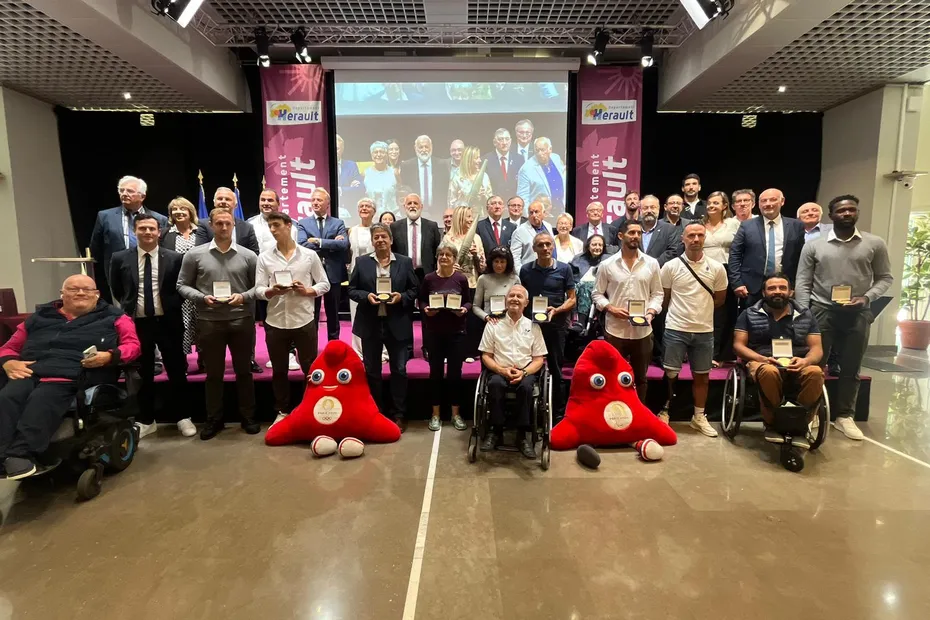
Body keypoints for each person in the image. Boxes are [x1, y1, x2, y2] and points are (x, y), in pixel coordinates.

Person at [0, 275, 141, 479]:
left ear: (97, 294)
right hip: (31, 371)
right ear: (62, 294)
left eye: (87, 290)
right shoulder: (39, 318)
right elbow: (9, 347)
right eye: (74, 289)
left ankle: (20, 453)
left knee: (42, 400)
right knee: (7, 397)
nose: (81, 293)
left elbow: (133, 346)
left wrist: (109, 356)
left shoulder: (115, 317)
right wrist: (9, 362)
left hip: (73, 375)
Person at [795, 195, 893, 440]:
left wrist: (867, 297)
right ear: (832, 215)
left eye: (851, 210)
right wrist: (805, 313)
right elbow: (803, 282)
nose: (847, 214)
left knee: (851, 367)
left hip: (857, 312)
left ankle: (844, 416)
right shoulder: (814, 245)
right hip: (821, 310)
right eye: (841, 210)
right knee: (815, 366)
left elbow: (885, 278)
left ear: (857, 213)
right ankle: (812, 412)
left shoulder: (875, 243)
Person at [177, 207, 259, 440]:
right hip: (208, 322)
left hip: (241, 320)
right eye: (219, 223)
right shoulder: (194, 255)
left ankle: (248, 417)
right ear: (211, 225)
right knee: (213, 374)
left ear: (234, 225)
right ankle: (214, 419)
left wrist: (243, 296)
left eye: (228, 223)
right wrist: (201, 298)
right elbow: (182, 285)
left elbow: (259, 287)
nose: (224, 227)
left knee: (244, 372)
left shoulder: (248, 256)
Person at [109, 214, 191, 438]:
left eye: (152, 229)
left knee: (176, 370)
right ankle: (147, 419)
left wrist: (172, 305)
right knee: (143, 373)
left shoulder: (175, 258)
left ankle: (183, 417)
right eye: (142, 228)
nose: (147, 232)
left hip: (168, 322)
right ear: (135, 231)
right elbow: (116, 289)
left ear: (159, 232)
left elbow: (182, 288)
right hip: (138, 324)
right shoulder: (119, 258)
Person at [733, 273, 824, 446]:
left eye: (782, 288)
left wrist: (806, 361)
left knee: (816, 372)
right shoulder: (749, 314)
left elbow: (817, 348)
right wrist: (761, 358)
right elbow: (738, 345)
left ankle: (799, 423)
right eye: (772, 288)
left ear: (791, 292)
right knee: (769, 371)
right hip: (761, 361)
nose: (777, 291)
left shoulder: (806, 315)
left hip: (798, 362)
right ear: (763, 292)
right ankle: (772, 423)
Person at [256, 212, 329, 425]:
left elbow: (324, 283)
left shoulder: (309, 255)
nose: (272, 230)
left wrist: (308, 291)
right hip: (276, 321)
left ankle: (313, 405)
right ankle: (282, 410)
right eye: (270, 226)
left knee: (310, 367)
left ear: (289, 226)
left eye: (277, 225)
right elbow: (258, 289)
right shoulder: (264, 257)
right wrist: (272, 291)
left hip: (304, 319)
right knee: (279, 370)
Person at [348, 223, 419, 432]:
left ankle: (399, 413)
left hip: (396, 324)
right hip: (370, 324)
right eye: (376, 237)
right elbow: (352, 290)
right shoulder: (362, 263)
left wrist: (401, 297)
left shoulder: (405, 263)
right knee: (372, 371)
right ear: (372, 241)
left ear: (391, 240)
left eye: (383, 237)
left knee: (399, 370)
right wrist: (366, 296)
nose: (380, 240)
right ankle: (375, 411)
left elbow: (414, 289)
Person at [659, 222, 728, 436]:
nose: (695, 239)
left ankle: (698, 417)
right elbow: (665, 298)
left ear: (705, 238)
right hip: (675, 328)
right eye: (691, 236)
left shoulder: (717, 268)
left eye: (700, 235)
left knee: (702, 376)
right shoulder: (670, 267)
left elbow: (719, 299)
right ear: (683, 239)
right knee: (670, 373)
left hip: (704, 331)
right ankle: (665, 411)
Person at [592, 220, 663, 403]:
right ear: (621, 236)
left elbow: (657, 294)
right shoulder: (607, 265)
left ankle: (638, 418)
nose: (636, 236)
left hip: (643, 331)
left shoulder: (652, 263)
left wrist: (651, 312)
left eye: (639, 233)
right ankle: (614, 416)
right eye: (631, 233)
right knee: (613, 376)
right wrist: (610, 308)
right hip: (615, 330)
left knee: (641, 379)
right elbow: (597, 294)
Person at [478, 284, 547, 458]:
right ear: (506, 300)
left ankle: (522, 434)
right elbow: (486, 355)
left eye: (519, 296)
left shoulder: (534, 326)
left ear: (526, 303)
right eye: (512, 296)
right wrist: (501, 370)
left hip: (525, 372)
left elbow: (539, 359)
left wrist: (523, 373)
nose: (515, 299)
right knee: (494, 384)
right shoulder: (493, 324)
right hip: (499, 370)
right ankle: (496, 430)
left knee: (526, 388)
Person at [519, 232, 576, 420]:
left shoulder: (565, 269)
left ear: (553, 247)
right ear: (534, 249)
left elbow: (572, 299)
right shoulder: (526, 270)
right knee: (528, 367)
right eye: (540, 245)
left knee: (556, 369)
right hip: (531, 327)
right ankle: (528, 412)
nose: (544, 248)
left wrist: (557, 310)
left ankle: (558, 415)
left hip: (555, 326)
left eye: (548, 244)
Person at [418, 243, 472, 432]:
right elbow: (422, 299)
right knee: (436, 374)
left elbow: (468, 301)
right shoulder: (429, 278)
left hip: (456, 333)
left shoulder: (461, 279)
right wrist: (425, 309)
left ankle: (456, 414)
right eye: (441, 254)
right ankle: (435, 414)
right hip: (434, 333)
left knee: (455, 374)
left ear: (454, 259)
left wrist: (464, 309)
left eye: (448, 255)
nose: (444, 258)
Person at [89, 175, 168, 298]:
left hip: (150, 271)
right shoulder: (105, 216)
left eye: (130, 191)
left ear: (142, 196)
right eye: (121, 190)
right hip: (118, 274)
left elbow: (164, 247)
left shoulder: (159, 219)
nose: (124, 194)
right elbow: (96, 248)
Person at [728, 188, 805, 307]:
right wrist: (737, 283)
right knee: (750, 323)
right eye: (764, 201)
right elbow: (734, 255)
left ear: (782, 201)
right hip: (751, 288)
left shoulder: (796, 226)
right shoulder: (747, 225)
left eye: (773, 200)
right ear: (758, 204)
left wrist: (795, 285)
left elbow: (800, 258)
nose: (768, 204)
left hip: (783, 287)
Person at [297, 188, 349, 343]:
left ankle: (334, 344)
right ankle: (311, 345)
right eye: (313, 200)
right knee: (311, 312)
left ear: (328, 203)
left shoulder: (338, 223)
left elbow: (344, 244)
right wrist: (332, 243)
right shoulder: (303, 223)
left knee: (333, 312)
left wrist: (318, 241)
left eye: (319, 200)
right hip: (311, 274)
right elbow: (302, 244)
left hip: (333, 273)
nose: (315, 203)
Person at [702, 191, 741, 364]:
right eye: (709, 203)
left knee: (724, 314)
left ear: (725, 206)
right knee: (705, 313)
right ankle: (703, 352)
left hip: (727, 270)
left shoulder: (733, 224)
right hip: (704, 272)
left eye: (716, 203)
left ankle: (719, 355)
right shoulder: (700, 224)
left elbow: (740, 249)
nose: (711, 206)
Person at [161, 197, 200, 360]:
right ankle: (181, 361)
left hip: (200, 285)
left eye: (182, 208)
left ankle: (203, 358)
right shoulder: (164, 234)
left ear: (190, 211)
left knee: (201, 323)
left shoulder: (202, 232)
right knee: (181, 324)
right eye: (174, 209)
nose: (178, 212)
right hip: (176, 286)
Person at [391, 193, 443, 281]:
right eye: (409, 203)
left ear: (421, 206)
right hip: (402, 274)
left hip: (426, 274)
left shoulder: (432, 226)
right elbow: (392, 251)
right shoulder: (395, 227)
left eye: (415, 203)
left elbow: (437, 251)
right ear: (404, 207)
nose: (412, 206)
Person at [194, 187, 260, 255]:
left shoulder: (247, 227)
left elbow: (254, 254)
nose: (223, 201)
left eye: (227, 199)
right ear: (214, 203)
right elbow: (199, 252)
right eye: (220, 199)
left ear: (236, 205)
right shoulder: (203, 225)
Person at [400, 135, 452, 215]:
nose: (424, 150)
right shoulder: (406, 166)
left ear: (431, 147)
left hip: (438, 212)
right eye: (421, 147)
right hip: (414, 212)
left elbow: (445, 190)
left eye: (426, 147)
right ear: (415, 148)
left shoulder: (442, 165)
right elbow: (405, 191)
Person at [474, 246, 521, 324]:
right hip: (490, 323)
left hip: (510, 322)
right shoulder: (483, 279)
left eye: (502, 262)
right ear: (491, 262)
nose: (499, 265)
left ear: (507, 263)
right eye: (496, 261)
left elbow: (520, 304)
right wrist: (486, 317)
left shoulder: (515, 279)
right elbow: (475, 307)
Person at [516, 137, 566, 212]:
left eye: (542, 150)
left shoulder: (556, 158)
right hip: (540, 215)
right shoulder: (526, 169)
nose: (539, 153)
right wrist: (530, 218)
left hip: (561, 211)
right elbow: (522, 199)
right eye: (537, 150)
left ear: (550, 149)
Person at [248, 189, 297, 256]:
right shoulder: (249, 224)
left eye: (270, 200)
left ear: (278, 203)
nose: (266, 203)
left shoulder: (291, 225)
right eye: (263, 200)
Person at [510, 200, 554, 271]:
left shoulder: (548, 226)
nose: (534, 215)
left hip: (551, 271)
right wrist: (522, 275)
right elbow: (515, 258)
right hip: (530, 273)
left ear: (544, 213)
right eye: (531, 213)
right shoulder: (519, 231)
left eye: (536, 212)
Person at [448, 146, 492, 210]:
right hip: (464, 216)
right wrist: (462, 199)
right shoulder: (457, 178)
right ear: (468, 160)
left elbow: (491, 201)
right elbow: (451, 205)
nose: (480, 160)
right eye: (476, 158)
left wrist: (484, 196)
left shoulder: (484, 176)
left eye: (479, 157)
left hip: (482, 216)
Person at [484, 128, 520, 199]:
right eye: (501, 139)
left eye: (507, 139)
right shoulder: (486, 160)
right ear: (494, 142)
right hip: (495, 204)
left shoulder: (519, 159)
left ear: (510, 141)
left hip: (514, 205)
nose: (504, 142)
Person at [363, 141, 397, 212]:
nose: (379, 155)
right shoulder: (365, 173)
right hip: (371, 215)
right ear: (372, 156)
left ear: (386, 155)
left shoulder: (394, 173)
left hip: (391, 215)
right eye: (375, 152)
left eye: (382, 152)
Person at [336, 134, 365, 209]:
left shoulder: (351, 165)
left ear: (342, 149)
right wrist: (349, 188)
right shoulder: (323, 166)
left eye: (337, 148)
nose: (334, 151)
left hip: (349, 210)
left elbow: (360, 188)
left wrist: (341, 190)